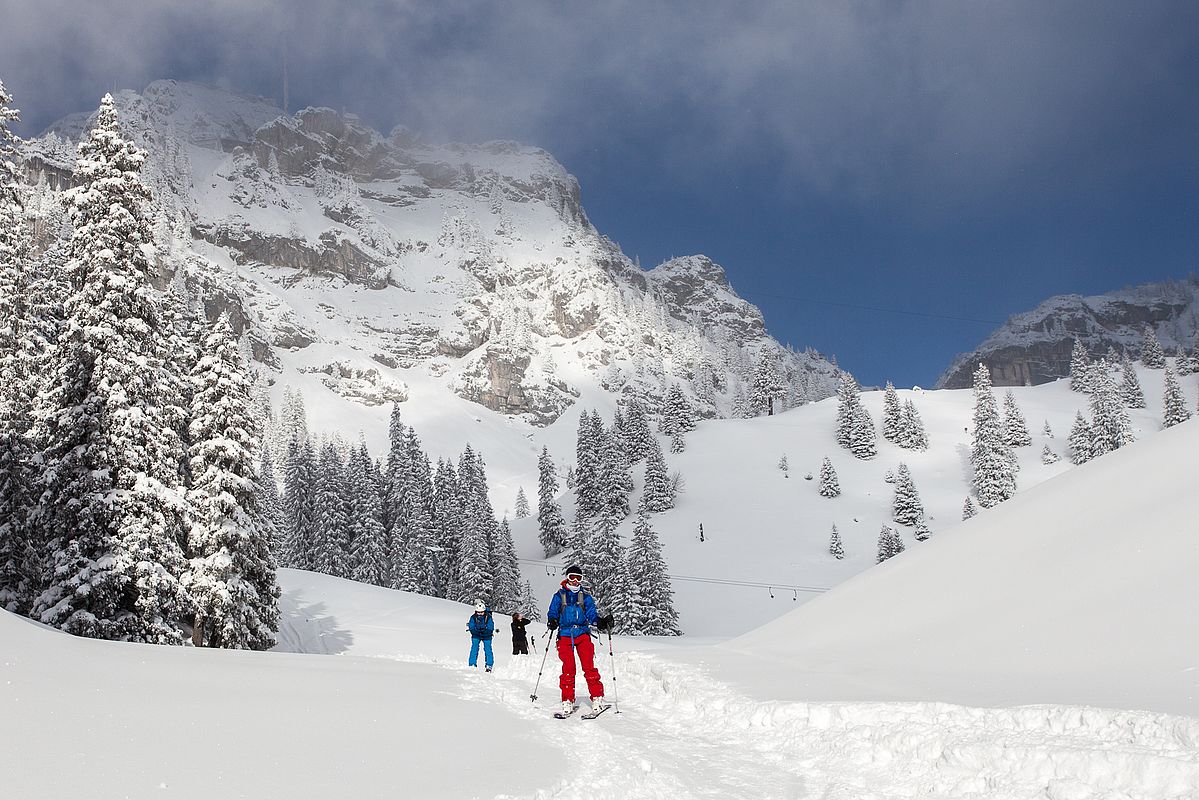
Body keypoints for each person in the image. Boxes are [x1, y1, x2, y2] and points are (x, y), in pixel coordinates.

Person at [546, 565, 614, 716]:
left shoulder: (586, 597)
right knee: (569, 668)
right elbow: (552, 612)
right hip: (565, 634)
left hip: (583, 634)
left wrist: (601, 622)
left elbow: (592, 616)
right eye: (572, 577)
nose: (575, 581)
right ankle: (568, 700)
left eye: (579, 578)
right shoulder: (559, 596)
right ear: (567, 578)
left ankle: (597, 697)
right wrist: (552, 620)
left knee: (589, 667)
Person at [467, 601, 495, 672]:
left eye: (481, 612)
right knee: (474, 649)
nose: (480, 614)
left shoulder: (488, 617)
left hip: (487, 636)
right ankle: (472, 664)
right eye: (478, 612)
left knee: (488, 650)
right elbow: (471, 627)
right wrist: (476, 631)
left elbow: (490, 627)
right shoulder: (473, 617)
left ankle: (489, 665)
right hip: (476, 635)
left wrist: (484, 631)